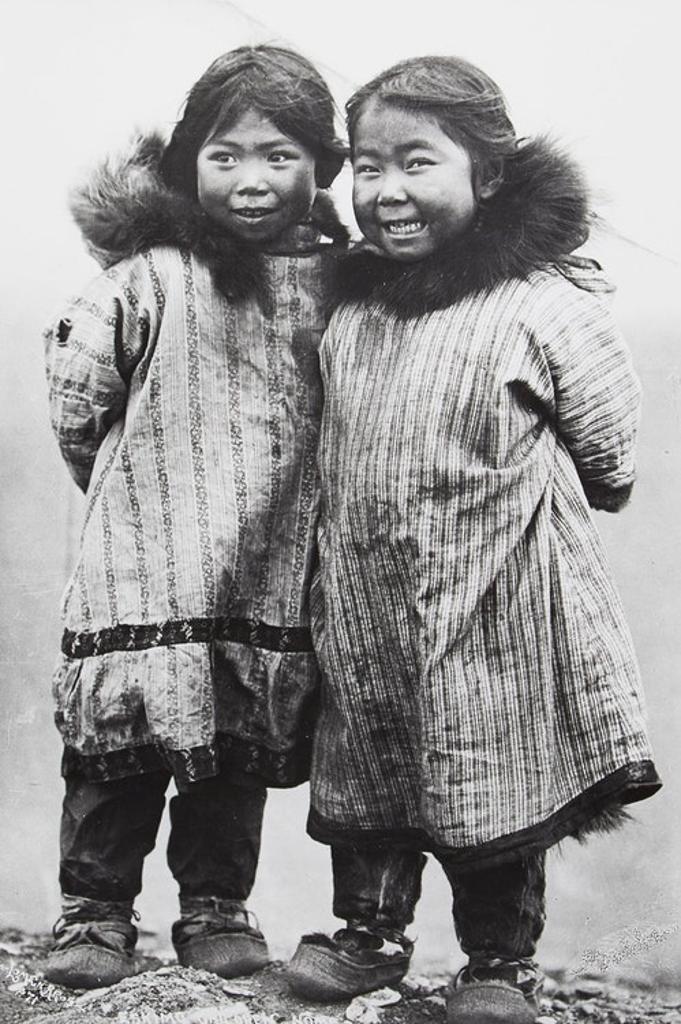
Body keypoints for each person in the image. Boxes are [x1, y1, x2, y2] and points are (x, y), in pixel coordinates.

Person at [287, 56, 661, 1022]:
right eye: (368, 167)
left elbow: (610, 456)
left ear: (487, 175)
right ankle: (369, 937)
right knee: (369, 755)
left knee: (489, 763)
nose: (389, 191)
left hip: (499, 598)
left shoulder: (542, 306)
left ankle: (499, 964)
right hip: (367, 597)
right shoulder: (352, 307)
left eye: (418, 162)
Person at [42, 44, 351, 990]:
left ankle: (214, 907)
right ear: (188, 162)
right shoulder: (150, 277)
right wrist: (140, 492)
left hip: (266, 564)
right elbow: (79, 399)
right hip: (144, 557)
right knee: (117, 744)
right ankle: (95, 911)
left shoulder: (343, 283)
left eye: (280, 155)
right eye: (226, 155)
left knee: (235, 745)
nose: (252, 180)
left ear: (321, 168)